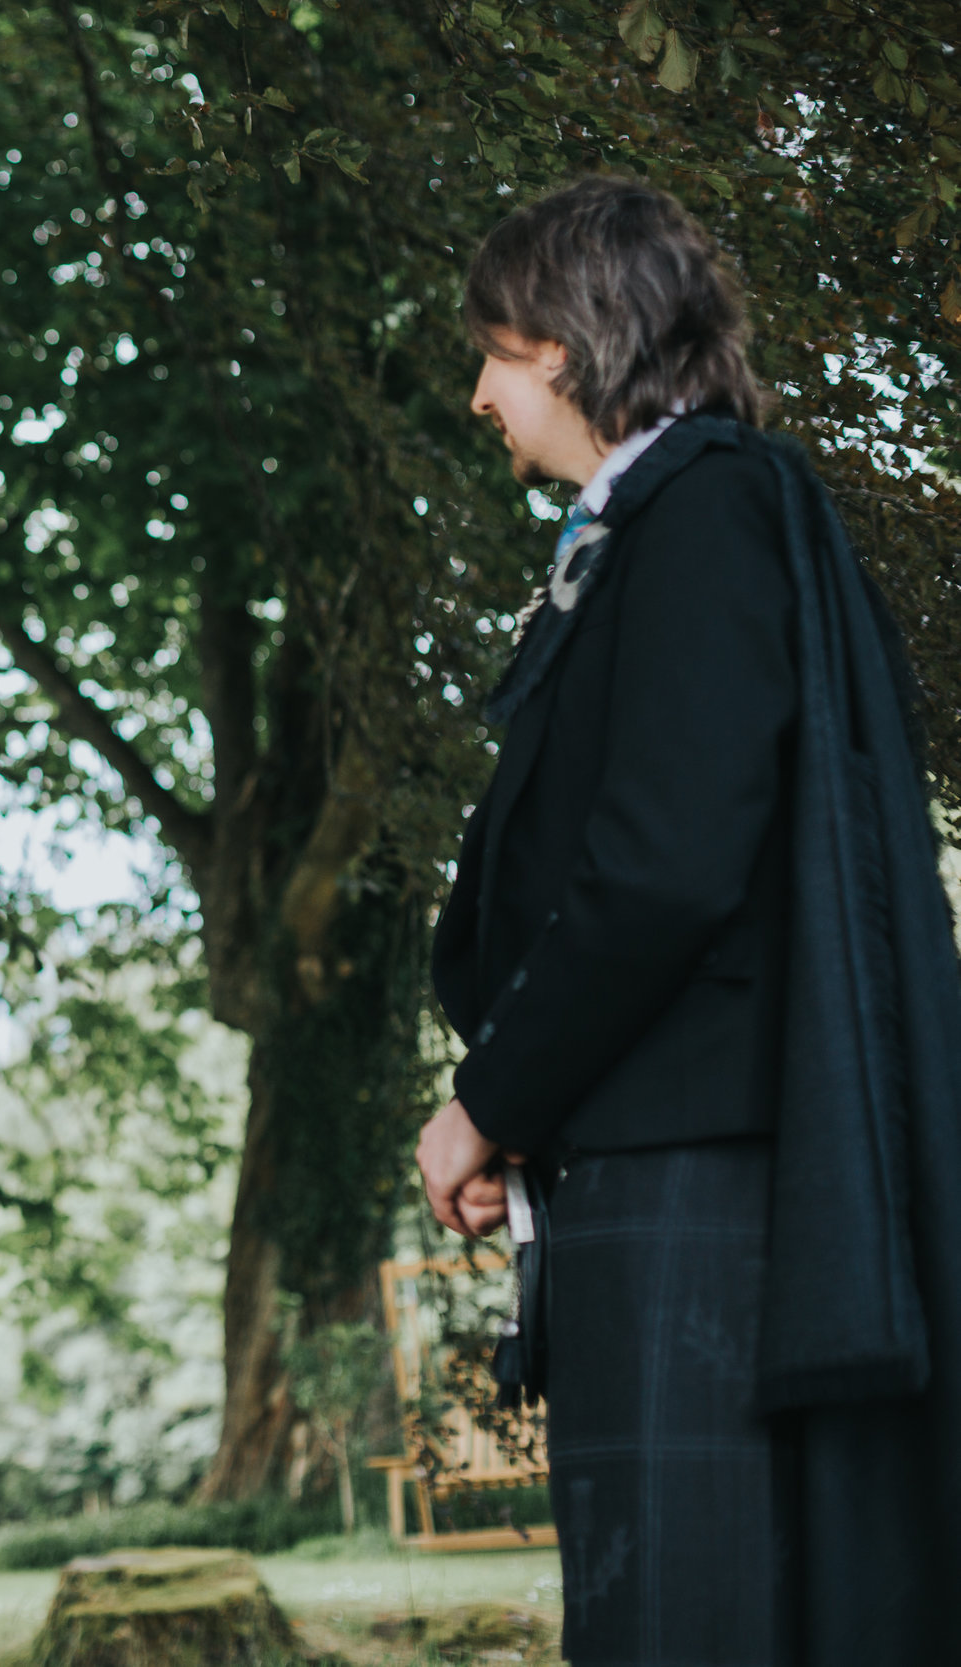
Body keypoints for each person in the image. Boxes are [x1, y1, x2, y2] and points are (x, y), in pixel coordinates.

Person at [420, 176, 961, 1663]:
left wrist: (489, 1096)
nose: (480, 392)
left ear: (573, 344)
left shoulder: (709, 508)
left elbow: (662, 866)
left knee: (688, 1621)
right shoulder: (650, 528)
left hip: (696, 1178)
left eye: (495, 350)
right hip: (644, 1156)